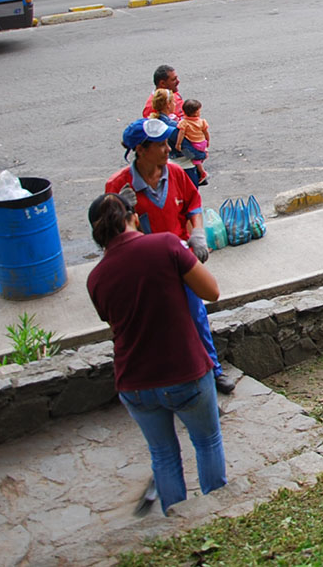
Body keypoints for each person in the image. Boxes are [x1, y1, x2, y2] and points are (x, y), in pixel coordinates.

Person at [85, 192, 227, 516]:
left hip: (134, 382)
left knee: (163, 455)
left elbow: (112, 320)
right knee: (206, 442)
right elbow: (212, 292)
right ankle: (218, 516)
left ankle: (175, 523)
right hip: (185, 371)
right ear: (134, 217)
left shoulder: (96, 278)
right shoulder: (165, 245)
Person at [106, 118, 236, 395]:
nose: (168, 150)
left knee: (196, 315)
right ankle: (169, 380)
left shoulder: (175, 174)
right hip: (143, 269)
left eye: (167, 143)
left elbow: (193, 204)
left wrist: (197, 233)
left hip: (179, 259)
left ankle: (213, 371)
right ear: (140, 150)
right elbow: (109, 238)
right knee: (157, 324)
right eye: (161, 145)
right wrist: (121, 210)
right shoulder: (118, 187)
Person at [176, 99, 210, 186]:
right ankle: (204, 155)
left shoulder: (184, 123)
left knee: (195, 160)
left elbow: (181, 133)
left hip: (194, 144)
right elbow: (206, 132)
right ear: (195, 113)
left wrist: (178, 143)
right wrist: (207, 140)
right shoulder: (202, 121)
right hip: (202, 143)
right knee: (200, 155)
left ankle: (202, 172)